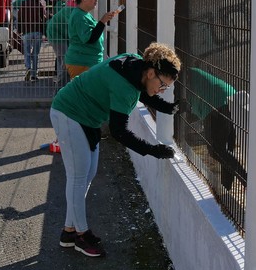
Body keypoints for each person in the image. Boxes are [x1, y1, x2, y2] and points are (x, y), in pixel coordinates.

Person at [50, 43, 181, 257]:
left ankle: (69, 231)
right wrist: (154, 150)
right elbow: (119, 132)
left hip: (87, 118)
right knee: (77, 177)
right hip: (69, 113)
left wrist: (165, 107)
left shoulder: (132, 63)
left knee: (87, 175)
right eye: (162, 85)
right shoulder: (125, 87)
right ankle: (81, 236)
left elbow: (142, 88)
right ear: (150, 72)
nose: (161, 90)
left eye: (165, 88)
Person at [65, 0, 120, 79]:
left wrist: (103, 21)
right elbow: (90, 38)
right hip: (82, 62)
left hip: (87, 61)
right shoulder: (79, 16)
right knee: (85, 92)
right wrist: (102, 21)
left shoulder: (84, 14)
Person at [45, 0, 74, 88]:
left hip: (60, 35)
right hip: (57, 35)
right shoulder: (61, 5)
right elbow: (68, 22)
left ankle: (61, 81)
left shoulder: (67, 5)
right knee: (63, 60)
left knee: (61, 58)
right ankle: (61, 86)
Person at [17, 0, 46, 81]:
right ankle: (34, 74)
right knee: (35, 54)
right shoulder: (39, 4)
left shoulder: (24, 4)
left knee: (27, 52)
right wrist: (44, 32)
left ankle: (28, 67)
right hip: (37, 31)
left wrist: (19, 30)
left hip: (26, 31)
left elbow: (20, 17)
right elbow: (43, 19)